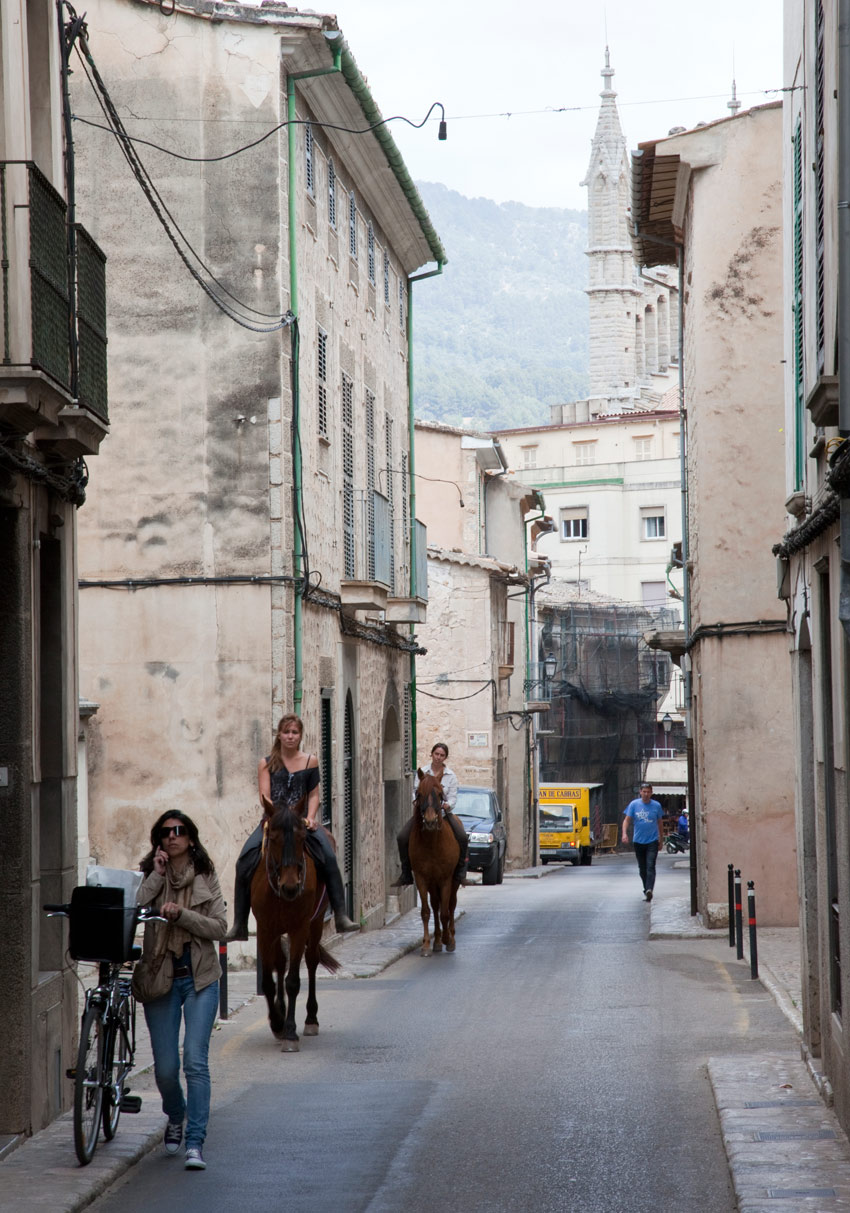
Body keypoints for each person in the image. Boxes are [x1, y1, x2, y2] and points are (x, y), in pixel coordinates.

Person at [133, 810, 227, 1171]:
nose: (172, 837)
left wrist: (181, 916)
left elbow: (220, 926)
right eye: (166, 832)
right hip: (161, 977)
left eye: (179, 831)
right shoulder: (152, 874)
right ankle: (176, 1115)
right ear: (159, 838)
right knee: (166, 1070)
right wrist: (155, 878)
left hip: (200, 978)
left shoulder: (206, 875)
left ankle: (195, 1142)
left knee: (195, 1062)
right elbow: (135, 910)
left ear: (190, 838)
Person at [226, 714, 359, 941]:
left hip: (300, 823)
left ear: (300, 736)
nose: (290, 736)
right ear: (279, 735)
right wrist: (274, 815)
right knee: (244, 860)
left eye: (294, 732)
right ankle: (239, 923)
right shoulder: (266, 763)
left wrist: (310, 817)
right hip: (274, 823)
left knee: (328, 856)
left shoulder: (310, 761)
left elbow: (314, 794)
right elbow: (264, 795)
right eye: (286, 732)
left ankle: (340, 915)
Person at [392, 741, 469, 887]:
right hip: (423, 814)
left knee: (462, 837)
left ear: (445, 758)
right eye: (436, 754)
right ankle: (406, 873)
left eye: (442, 755)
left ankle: (460, 873)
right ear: (432, 754)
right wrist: (419, 804)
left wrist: (448, 805)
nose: (438, 757)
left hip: (443, 814)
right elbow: (415, 792)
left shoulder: (450, 776)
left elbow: (453, 796)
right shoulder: (422, 773)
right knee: (402, 837)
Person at [621, 782, 665, 901]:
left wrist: (661, 839)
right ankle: (646, 889)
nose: (646, 794)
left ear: (651, 793)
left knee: (650, 866)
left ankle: (649, 889)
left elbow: (660, 823)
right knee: (642, 868)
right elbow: (626, 820)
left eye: (648, 792)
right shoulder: (634, 805)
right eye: (644, 792)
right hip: (638, 841)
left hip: (652, 841)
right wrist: (624, 834)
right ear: (640, 792)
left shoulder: (656, 806)